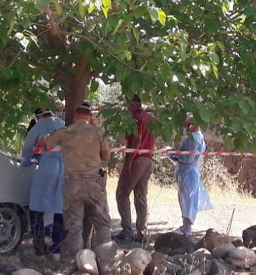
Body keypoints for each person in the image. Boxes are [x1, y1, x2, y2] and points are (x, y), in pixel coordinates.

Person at [45, 101, 112, 256]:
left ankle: (78, 261)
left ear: (75, 115)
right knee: (102, 223)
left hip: (72, 183)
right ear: (90, 115)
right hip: (94, 182)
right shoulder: (98, 132)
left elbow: (45, 142)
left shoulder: (65, 132)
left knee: (74, 225)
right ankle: (107, 258)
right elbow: (107, 156)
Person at [20, 109, 66, 257]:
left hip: (46, 168)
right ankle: (57, 251)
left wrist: (26, 162)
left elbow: (28, 149)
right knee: (59, 209)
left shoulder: (38, 127)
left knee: (35, 208)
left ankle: (39, 250)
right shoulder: (62, 123)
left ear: (38, 116)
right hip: (63, 169)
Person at [114, 95, 155, 243]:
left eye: (129, 105)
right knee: (141, 196)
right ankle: (142, 232)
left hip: (137, 159)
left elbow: (137, 140)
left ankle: (127, 231)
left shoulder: (137, 118)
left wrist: (128, 162)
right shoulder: (150, 118)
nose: (127, 108)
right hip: (148, 159)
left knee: (122, 193)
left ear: (135, 105)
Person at [171, 116, 213, 236]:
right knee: (188, 199)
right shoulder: (199, 136)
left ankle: (187, 228)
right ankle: (186, 226)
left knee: (187, 199)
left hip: (187, 172)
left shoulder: (193, 138)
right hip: (190, 171)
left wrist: (175, 155)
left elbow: (188, 157)